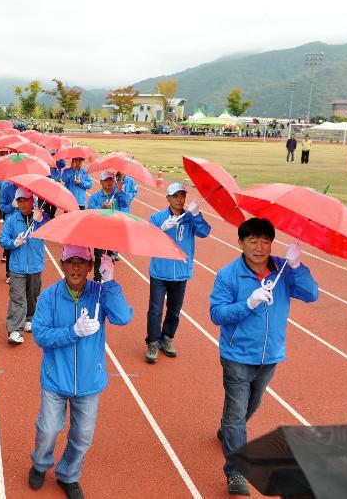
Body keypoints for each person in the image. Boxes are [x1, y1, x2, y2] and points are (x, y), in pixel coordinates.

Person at [209, 217, 318, 496]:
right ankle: (235, 472)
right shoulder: (228, 275)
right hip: (236, 356)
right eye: (253, 240)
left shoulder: (283, 270)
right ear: (241, 243)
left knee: (251, 406)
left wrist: (297, 266)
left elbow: (311, 294)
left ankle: (228, 430)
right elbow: (217, 314)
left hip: (270, 355)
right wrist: (248, 303)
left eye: (266, 240)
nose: (260, 247)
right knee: (236, 414)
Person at [29, 245, 132, 499]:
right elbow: (40, 335)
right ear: (62, 265)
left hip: (89, 381)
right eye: (70, 262)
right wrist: (72, 332)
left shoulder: (100, 293)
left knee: (82, 436)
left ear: (90, 267)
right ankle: (40, 464)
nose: (75, 267)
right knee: (49, 428)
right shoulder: (50, 296)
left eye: (81, 262)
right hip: (55, 378)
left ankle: (68, 474)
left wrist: (111, 283)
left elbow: (123, 317)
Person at [145, 183, 210, 363]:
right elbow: (147, 238)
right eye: (175, 196)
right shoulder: (157, 217)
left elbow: (205, 232)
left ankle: (167, 338)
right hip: (160, 271)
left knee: (174, 310)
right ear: (168, 198)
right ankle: (152, 341)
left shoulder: (190, 218)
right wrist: (161, 229)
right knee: (155, 310)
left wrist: (197, 216)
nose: (179, 199)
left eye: (182, 195)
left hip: (181, 273)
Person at [0, 188, 50, 344]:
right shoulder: (11, 220)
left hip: (35, 265)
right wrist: (13, 243)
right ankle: (15, 330)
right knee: (17, 298)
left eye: (25, 200)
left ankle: (29, 318)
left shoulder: (41, 218)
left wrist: (41, 221)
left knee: (32, 296)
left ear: (32, 200)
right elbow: (2, 239)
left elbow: (49, 232)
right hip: (17, 267)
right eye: (19, 200)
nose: (22, 203)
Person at [87, 171, 129, 280]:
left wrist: (121, 191)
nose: (108, 183)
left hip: (113, 231)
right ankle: (97, 281)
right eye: (105, 180)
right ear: (101, 182)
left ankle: (107, 280)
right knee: (99, 258)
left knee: (110, 259)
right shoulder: (95, 197)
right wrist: (101, 207)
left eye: (111, 180)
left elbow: (126, 203)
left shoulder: (117, 195)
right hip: (100, 232)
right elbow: (90, 213)